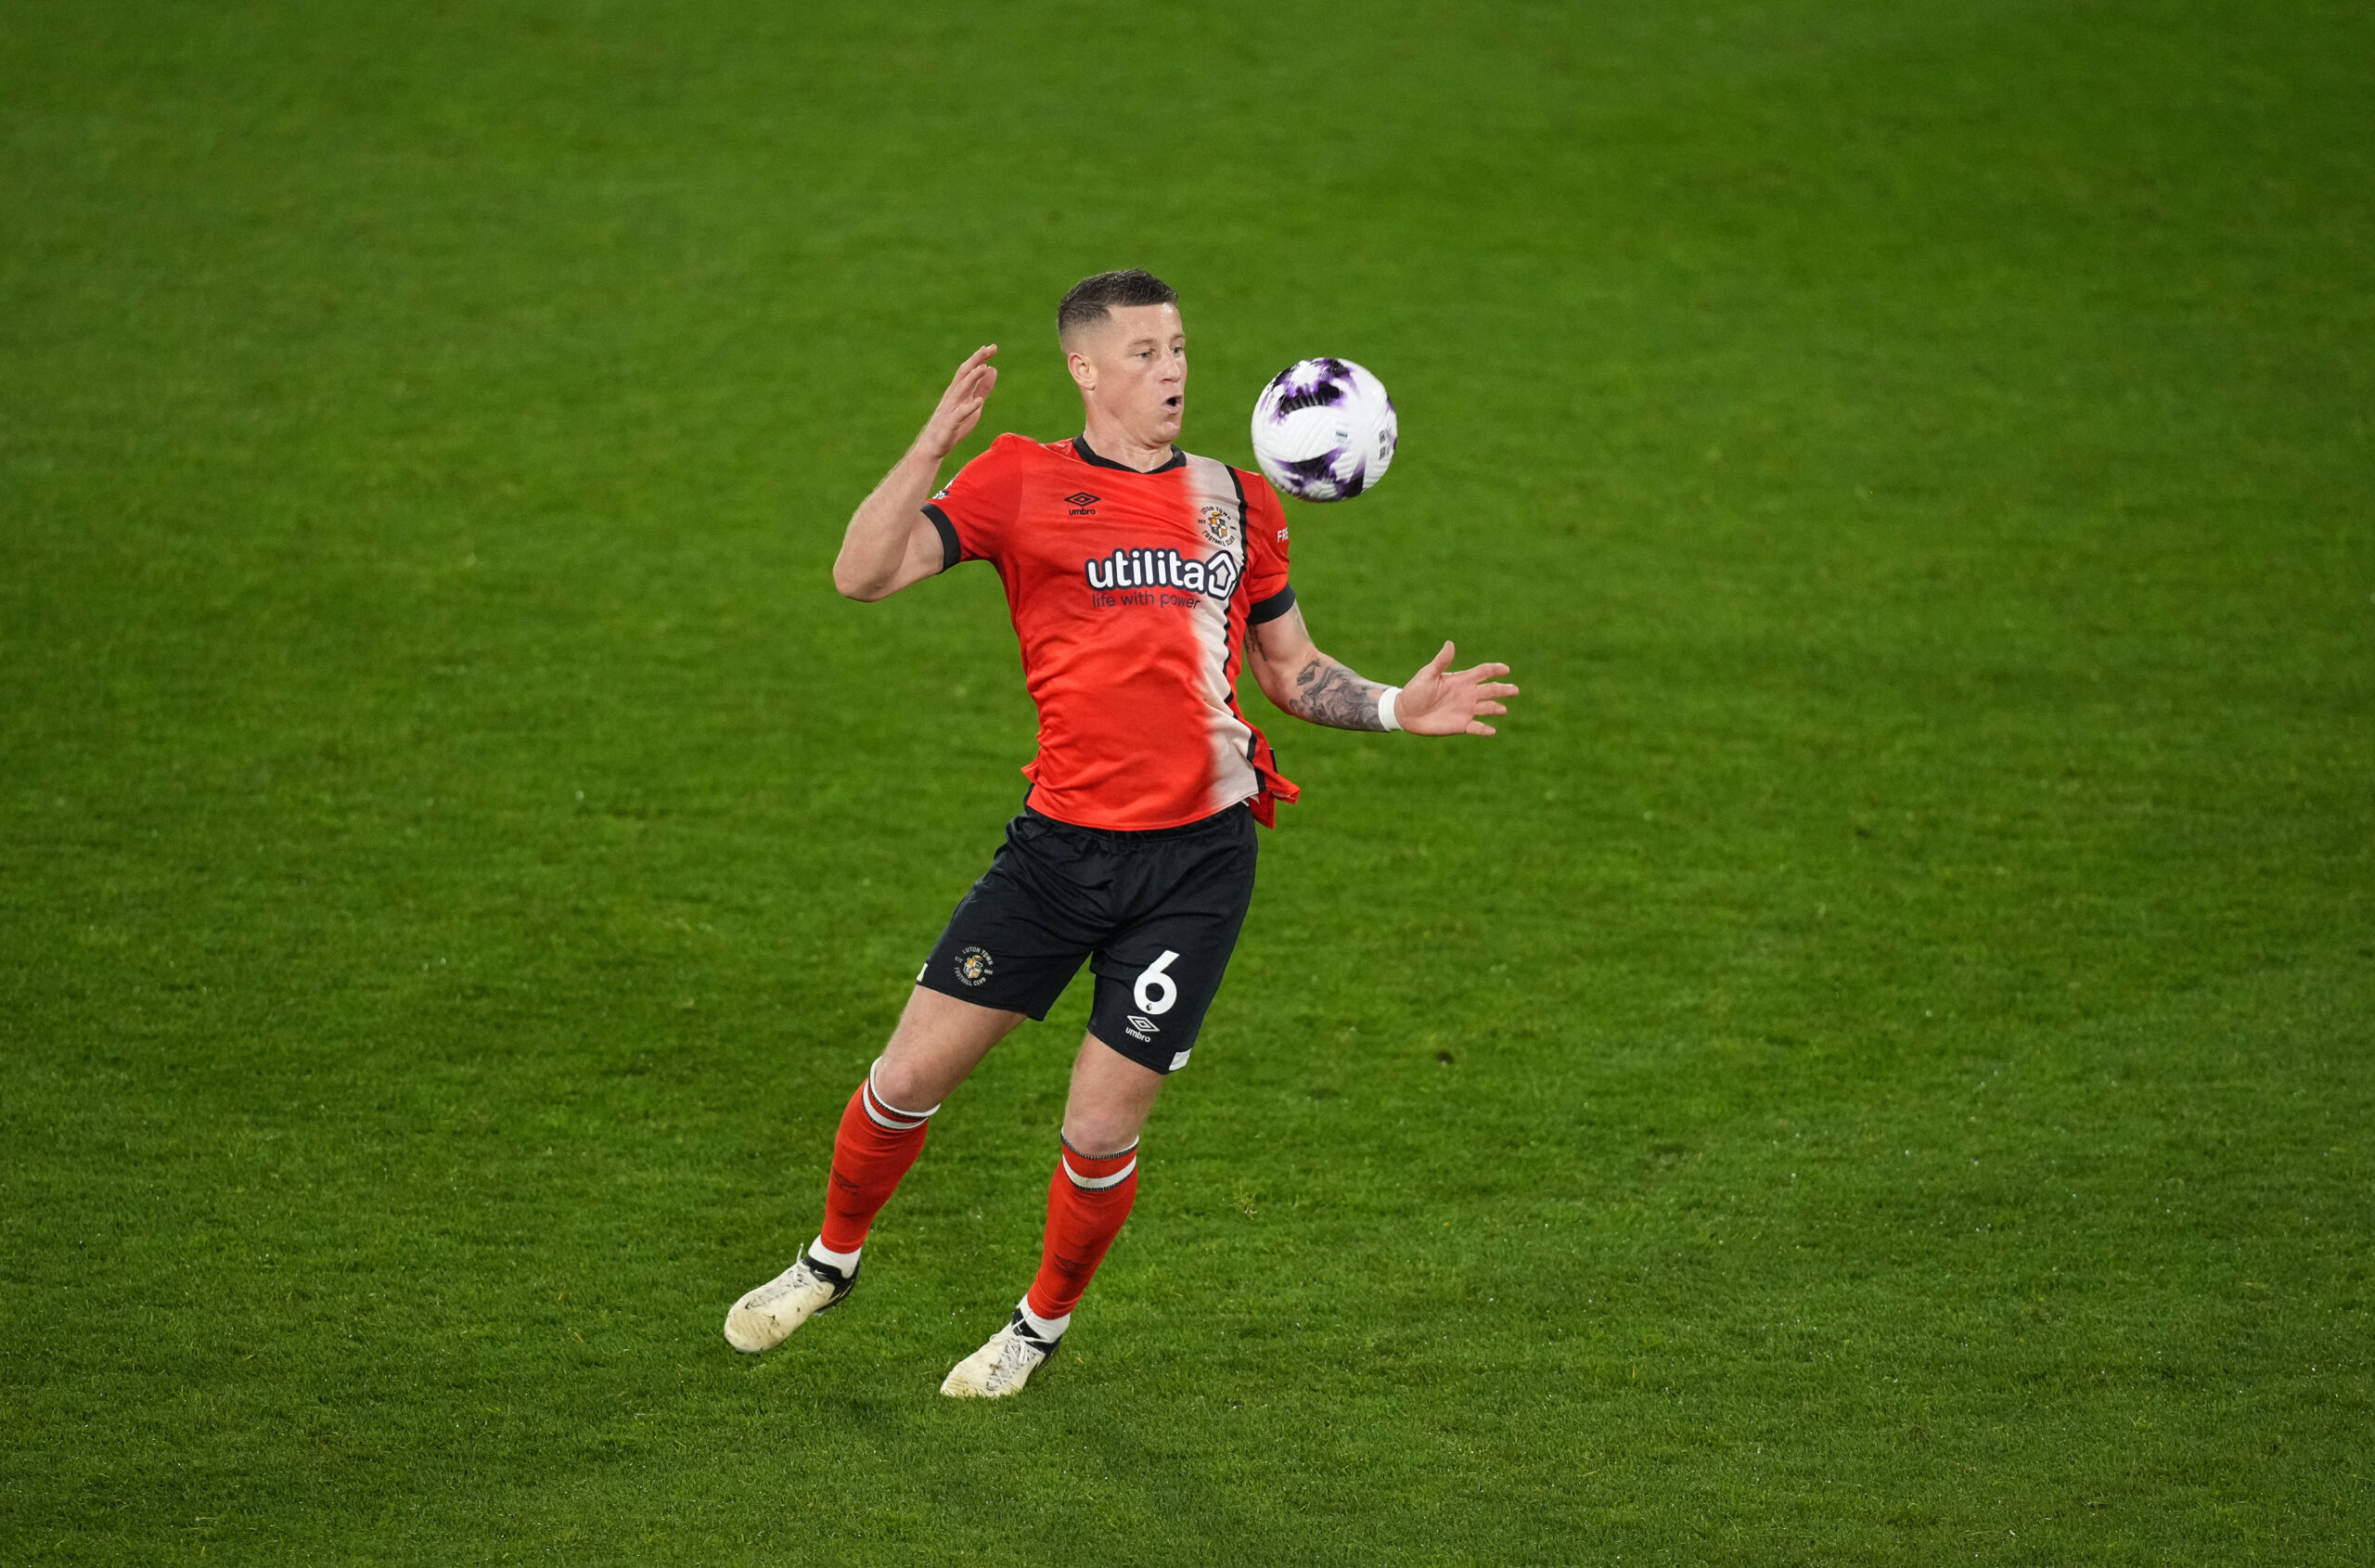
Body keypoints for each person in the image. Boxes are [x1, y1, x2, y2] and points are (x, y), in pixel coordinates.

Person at [725, 269, 1518, 1397]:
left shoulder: (1240, 499)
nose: (1175, 370)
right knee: (903, 1079)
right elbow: (861, 574)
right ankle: (826, 1262)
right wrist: (928, 451)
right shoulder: (1018, 479)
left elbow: (1289, 671)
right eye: (1144, 353)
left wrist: (1394, 704)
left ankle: (1033, 1330)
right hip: (1055, 853)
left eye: (1181, 347)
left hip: (1194, 865)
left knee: (1098, 1133)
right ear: (1085, 370)